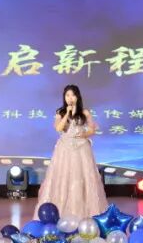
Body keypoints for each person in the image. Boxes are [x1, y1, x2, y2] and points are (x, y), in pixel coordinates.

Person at [35, 84, 108, 218]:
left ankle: (84, 213)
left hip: (81, 149)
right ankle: (61, 212)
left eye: (73, 95)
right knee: (63, 178)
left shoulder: (84, 112)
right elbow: (58, 128)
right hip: (64, 149)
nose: (70, 98)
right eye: (67, 95)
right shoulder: (60, 113)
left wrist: (84, 134)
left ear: (77, 97)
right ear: (64, 97)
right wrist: (67, 113)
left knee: (81, 178)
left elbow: (92, 129)